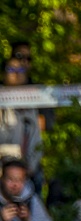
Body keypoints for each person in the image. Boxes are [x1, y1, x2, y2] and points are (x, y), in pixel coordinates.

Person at [0, 57, 44, 190]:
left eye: (20, 70)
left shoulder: (30, 104)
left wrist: (29, 169)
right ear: (3, 73)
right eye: (11, 69)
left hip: (23, 175)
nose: (16, 73)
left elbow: (36, 141)